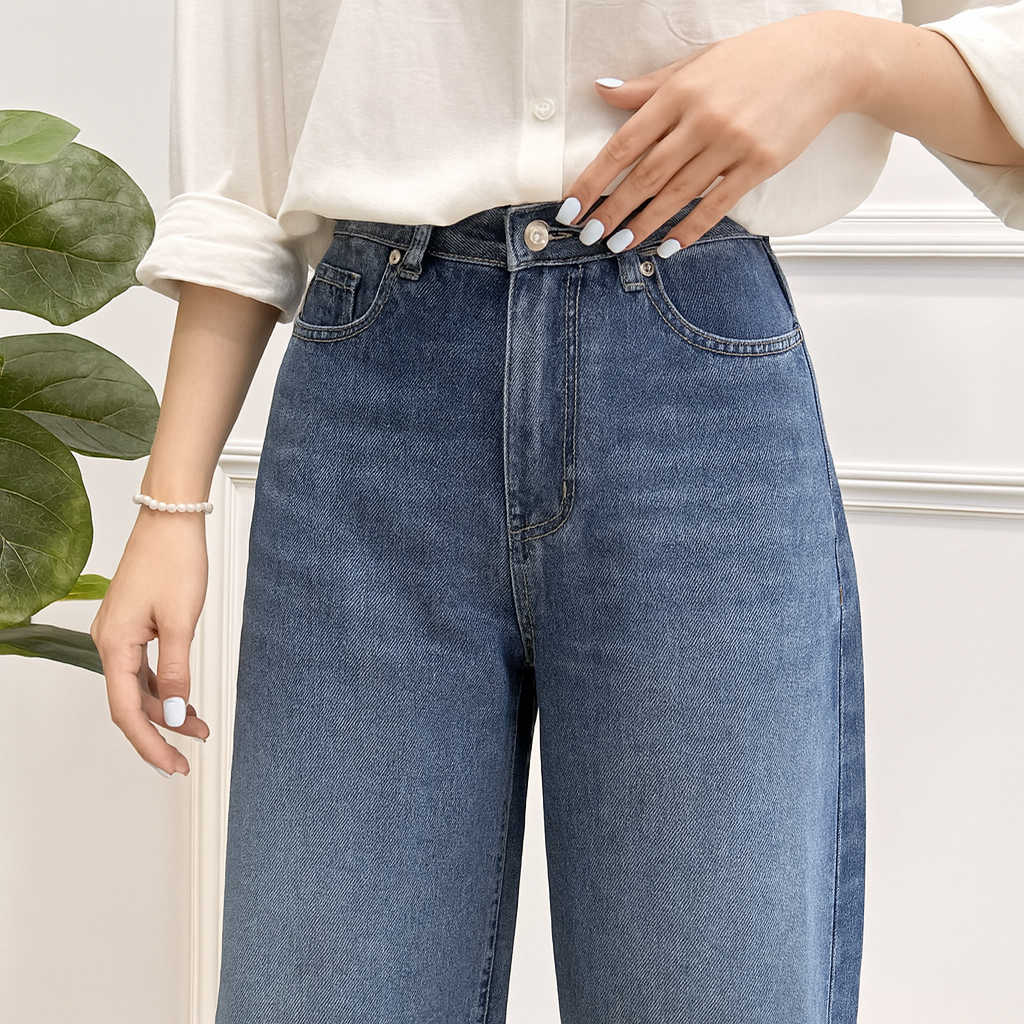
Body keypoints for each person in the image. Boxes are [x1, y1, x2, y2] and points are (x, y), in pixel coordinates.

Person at [91, 3, 1024, 1022]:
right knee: (318, 992)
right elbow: (238, 172)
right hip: (372, 400)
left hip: (692, 397)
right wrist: (170, 502)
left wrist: (845, 53)